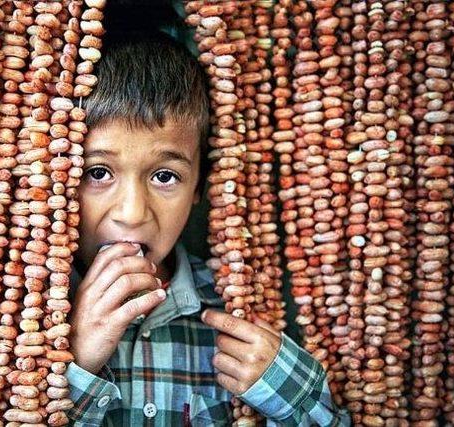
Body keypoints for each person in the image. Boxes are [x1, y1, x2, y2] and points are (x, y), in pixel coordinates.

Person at [63, 31, 351, 426]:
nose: (131, 213)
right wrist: (75, 365)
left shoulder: (237, 307)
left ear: (199, 186)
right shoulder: (32, 323)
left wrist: (288, 393)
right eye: (98, 172)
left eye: (165, 176)